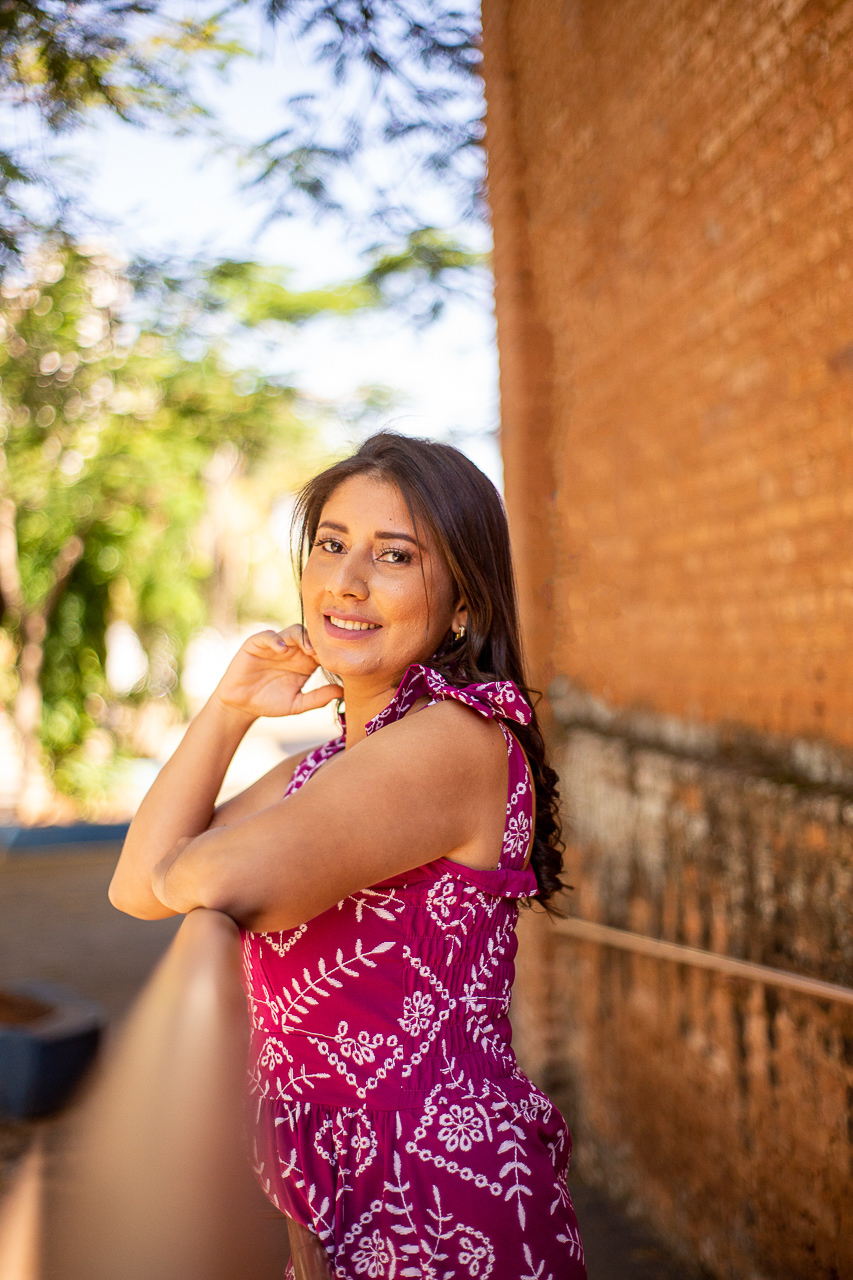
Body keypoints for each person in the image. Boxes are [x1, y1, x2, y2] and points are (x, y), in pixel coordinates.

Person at [110, 432, 587, 1279]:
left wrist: (197, 865)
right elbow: (136, 889)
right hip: (333, 1195)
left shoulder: (450, 738)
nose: (346, 580)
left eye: (393, 555)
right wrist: (229, 709)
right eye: (330, 544)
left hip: (436, 1201)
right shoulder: (326, 767)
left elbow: (203, 874)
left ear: (463, 602)